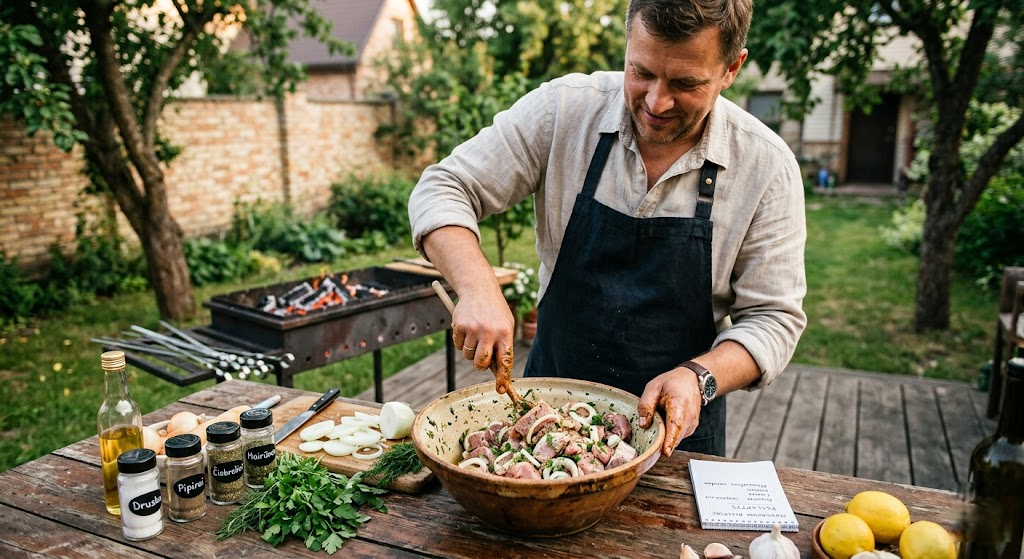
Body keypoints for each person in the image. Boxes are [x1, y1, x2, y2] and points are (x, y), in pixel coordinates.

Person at [408, 0, 807, 457]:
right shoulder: (564, 111)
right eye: (641, 72)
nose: (657, 102)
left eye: (685, 83)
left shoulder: (765, 165)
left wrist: (701, 378)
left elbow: (773, 319)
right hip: (542, 425)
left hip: (677, 437)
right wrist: (478, 288)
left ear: (731, 68)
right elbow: (443, 186)